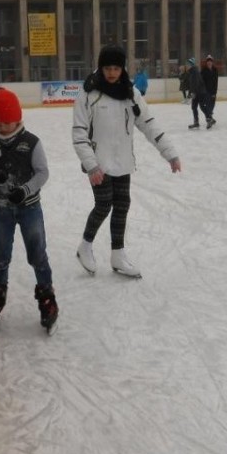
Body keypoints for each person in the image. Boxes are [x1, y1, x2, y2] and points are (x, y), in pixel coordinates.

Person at [72, 44, 181, 278]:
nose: (112, 73)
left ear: (122, 69)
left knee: (122, 205)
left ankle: (118, 254)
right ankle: (85, 246)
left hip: (123, 161)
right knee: (104, 204)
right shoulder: (89, 93)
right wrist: (91, 164)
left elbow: (149, 124)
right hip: (98, 163)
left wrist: (169, 153)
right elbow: (79, 133)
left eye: (116, 68)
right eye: (107, 68)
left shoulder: (131, 94)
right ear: (100, 68)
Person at [0, 89, 58, 333]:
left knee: (37, 252)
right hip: (1, 209)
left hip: (29, 208)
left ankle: (47, 298)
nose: (2, 127)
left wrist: (24, 190)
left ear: (17, 117)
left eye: (7, 121)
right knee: (0, 254)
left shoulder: (31, 142)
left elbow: (43, 173)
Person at [186, 57, 214, 129]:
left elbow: (197, 83)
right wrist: (190, 93)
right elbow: (191, 85)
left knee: (201, 106)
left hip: (200, 92)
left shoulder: (195, 71)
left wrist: (193, 93)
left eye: (188, 64)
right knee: (194, 107)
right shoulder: (191, 72)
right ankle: (196, 122)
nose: (187, 65)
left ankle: (209, 119)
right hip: (196, 92)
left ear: (191, 64)